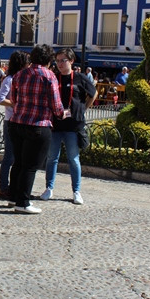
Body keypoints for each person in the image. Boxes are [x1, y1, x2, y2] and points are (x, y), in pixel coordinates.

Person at [8, 44, 64, 214]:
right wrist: (62, 113)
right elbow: (56, 104)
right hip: (38, 124)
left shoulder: (19, 74)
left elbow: (13, 99)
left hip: (17, 122)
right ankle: (23, 202)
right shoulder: (49, 76)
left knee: (18, 162)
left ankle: (13, 197)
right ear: (49, 60)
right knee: (30, 166)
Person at [42, 48, 97, 205]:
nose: (59, 63)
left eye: (63, 60)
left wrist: (83, 109)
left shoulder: (80, 78)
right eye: (57, 60)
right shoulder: (53, 77)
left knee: (73, 159)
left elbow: (93, 94)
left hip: (73, 126)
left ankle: (76, 191)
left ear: (71, 61)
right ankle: (49, 188)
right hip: (56, 124)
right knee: (52, 158)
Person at [0, 50, 29, 201]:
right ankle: (4, 188)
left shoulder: (23, 79)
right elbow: (0, 99)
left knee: (18, 157)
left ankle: (14, 186)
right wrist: (16, 104)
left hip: (20, 121)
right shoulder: (9, 79)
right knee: (9, 157)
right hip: (10, 120)